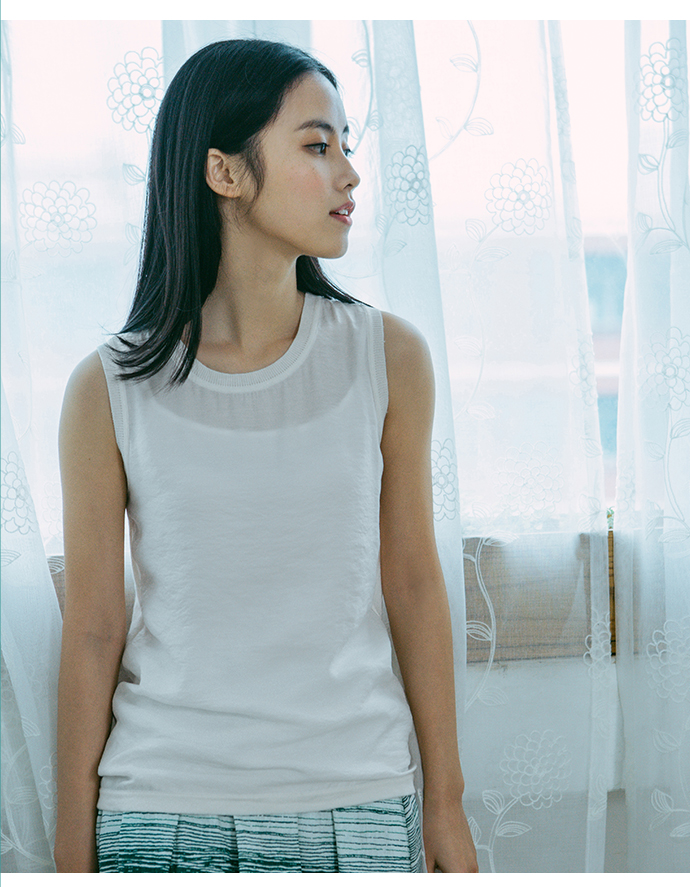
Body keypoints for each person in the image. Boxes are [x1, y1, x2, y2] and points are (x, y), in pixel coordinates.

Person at [53, 38, 478, 874]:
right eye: (317, 147)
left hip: (359, 801)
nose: (349, 175)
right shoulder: (107, 388)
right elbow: (95, 628)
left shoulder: (389, 358)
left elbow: (414, 584)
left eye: (346, 146)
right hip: (160, 811)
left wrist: (446, 804)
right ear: (224, 172)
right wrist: (72, 848)